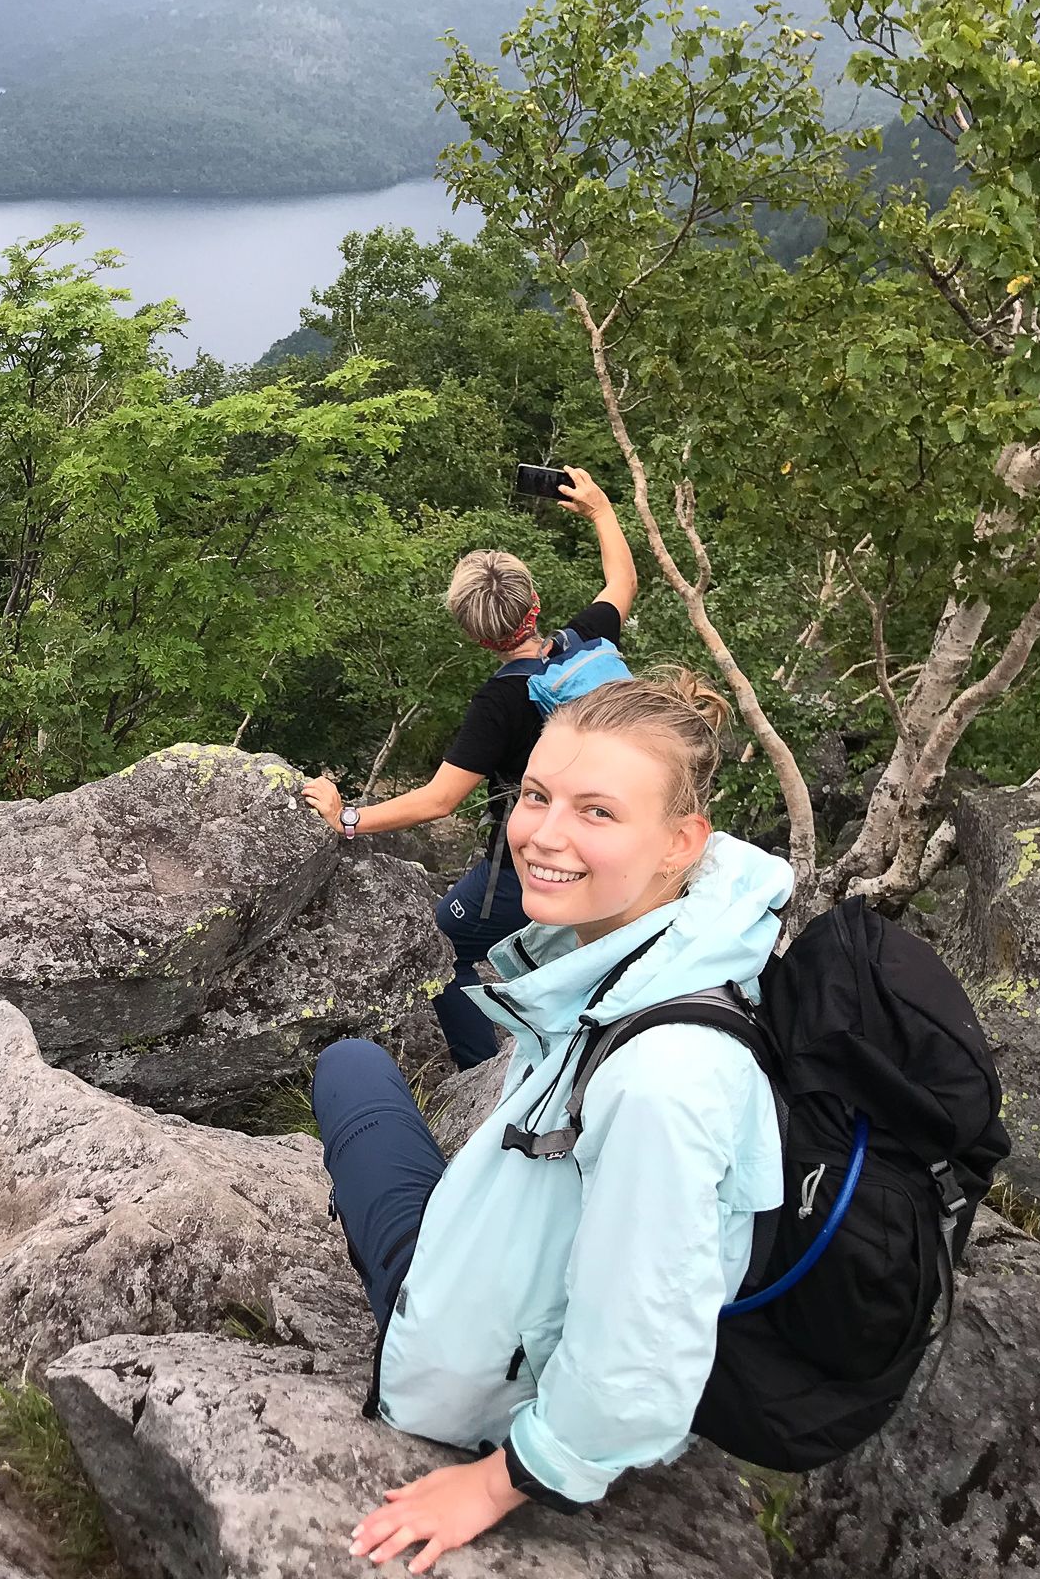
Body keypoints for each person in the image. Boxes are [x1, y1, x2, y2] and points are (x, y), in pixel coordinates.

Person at [308, 670, 788, 1572]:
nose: (542, 835)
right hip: (511, 1275)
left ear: (684, 841)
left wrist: (501, 1481)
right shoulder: (666, 945)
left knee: (349, 1069)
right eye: (535, 795)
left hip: (478, 1371)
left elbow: (645, 1346)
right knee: (357, 1068)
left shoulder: (664, 1076)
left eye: (596, 812)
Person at [302, 466, 638, 1068]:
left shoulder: (499, 701)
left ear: (476, 637)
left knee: (441, 944)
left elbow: (439, 800)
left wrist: (345, 817)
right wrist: (599, 510)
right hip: (622, 840)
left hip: (538, 863)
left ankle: (477, 1074)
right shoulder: (588, 643)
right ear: (534, 603)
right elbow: (622, 579)